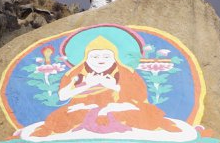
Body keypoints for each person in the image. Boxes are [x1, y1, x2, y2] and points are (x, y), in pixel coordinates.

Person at [30, 34, 173, 137]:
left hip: (119, 107)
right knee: (65, 117)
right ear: (87, 58)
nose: (100, 60)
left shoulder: (126, 73)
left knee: (139, 114)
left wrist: (114, 87)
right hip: (83, 108)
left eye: (106, 56)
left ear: (114, 57)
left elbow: (140, 96)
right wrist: (87, 84)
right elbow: (62, 96)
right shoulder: (77, 73)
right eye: (95, 57)